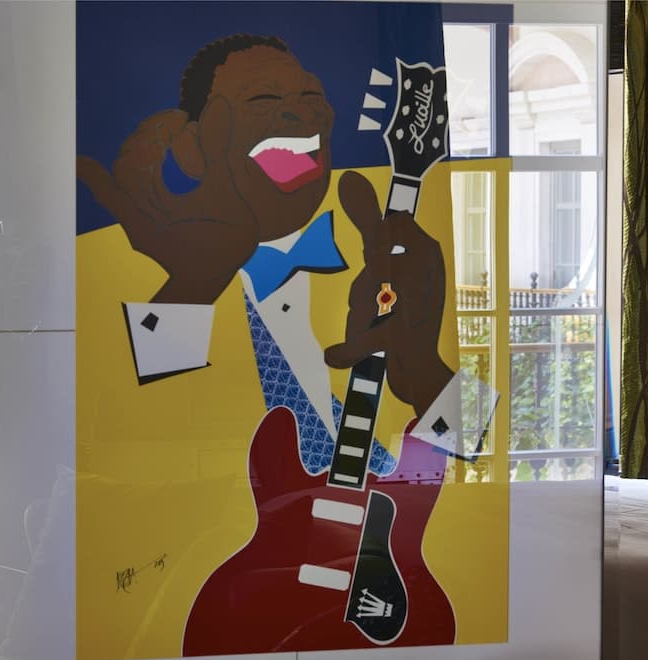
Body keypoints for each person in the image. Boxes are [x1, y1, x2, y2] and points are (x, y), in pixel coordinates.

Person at [78, 34, 484, 473]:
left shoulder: (377, 267)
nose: (302, 113)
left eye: (312, 97)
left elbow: (475, 456)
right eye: (263, 99)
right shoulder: (186, 288)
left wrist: (425, 368)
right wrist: (192, 287)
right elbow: (128, 441)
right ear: (193, 150)